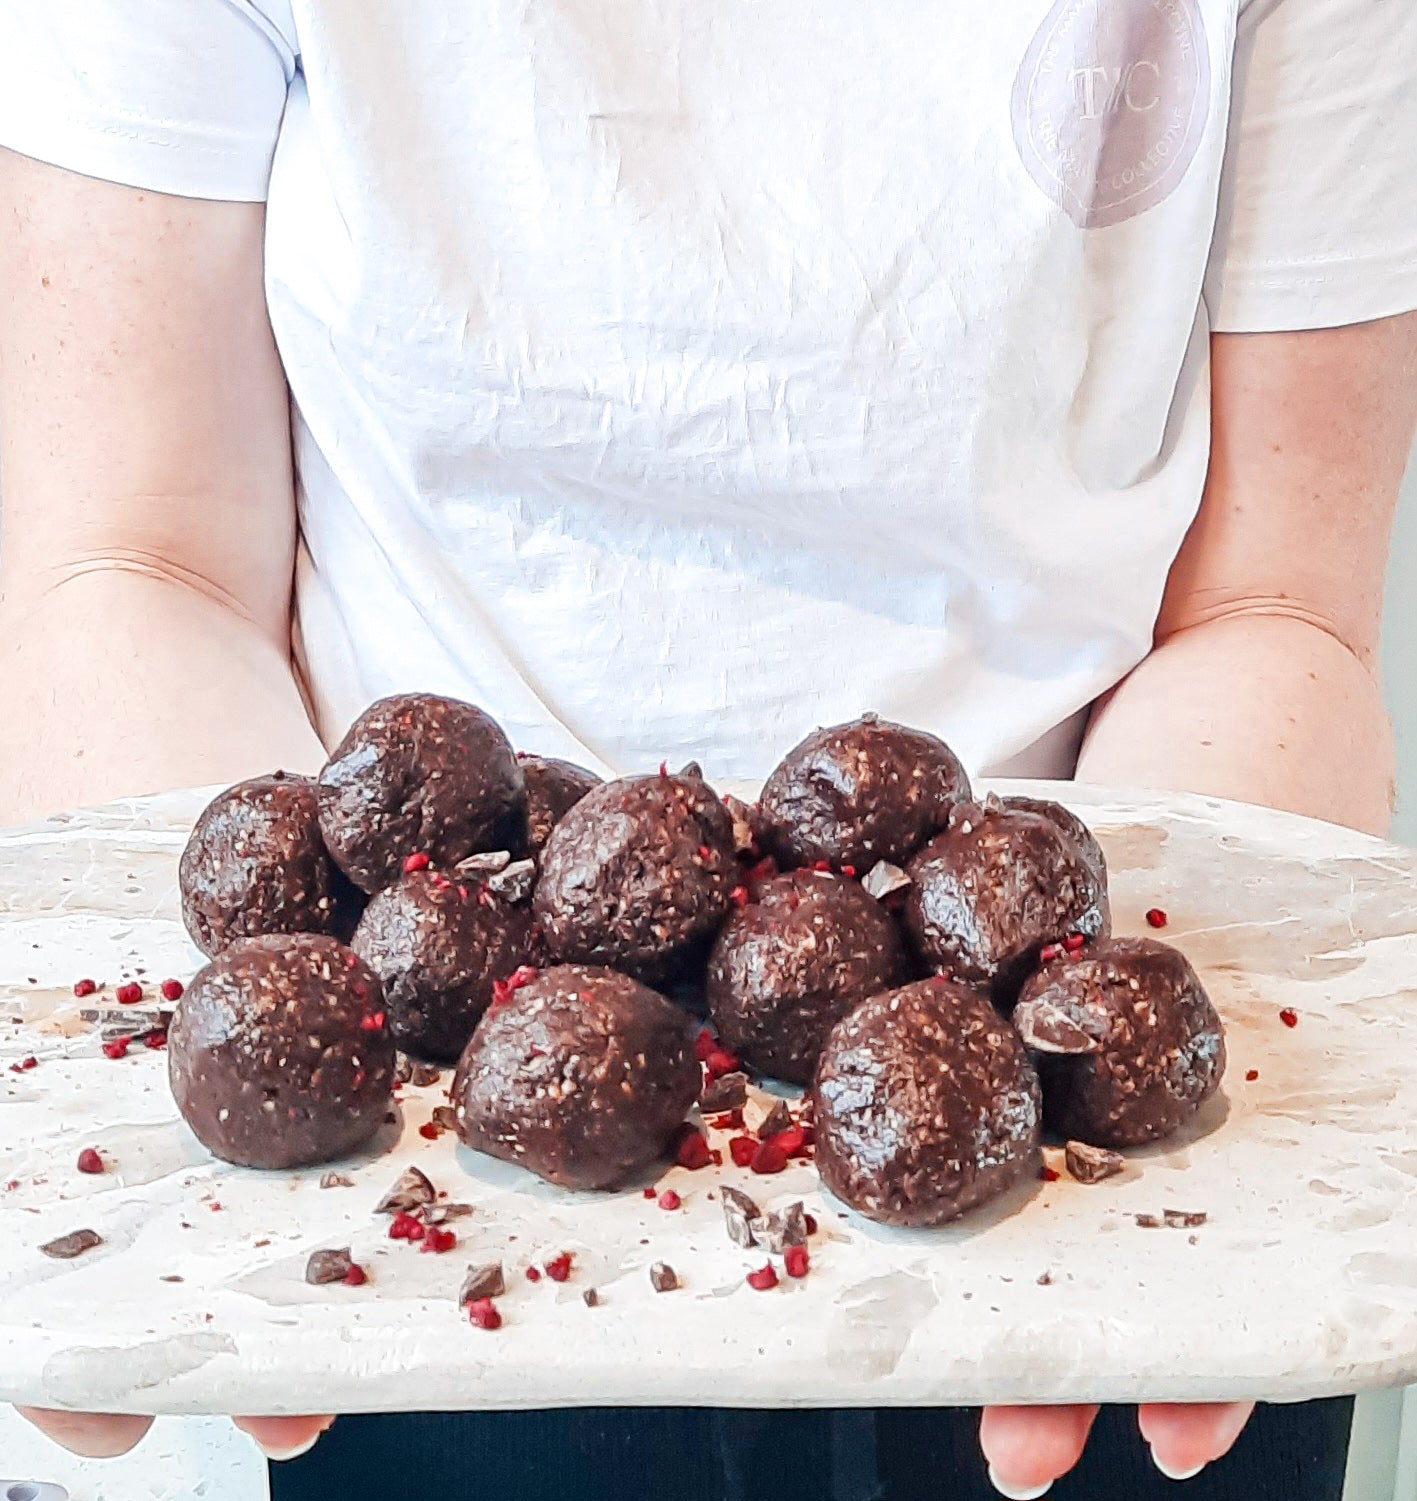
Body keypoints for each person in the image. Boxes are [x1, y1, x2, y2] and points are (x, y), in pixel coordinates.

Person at [0, 1, 1413, 1497]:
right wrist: (245, 1073)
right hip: (438, 1165)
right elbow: (142, 561)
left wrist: (1160, 1136)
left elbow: (1269, 600)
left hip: (1063, 1142)